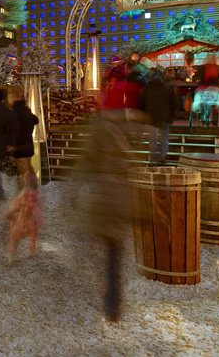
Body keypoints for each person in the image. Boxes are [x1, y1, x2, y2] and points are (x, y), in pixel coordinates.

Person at [76, 110, 138, 322]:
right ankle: (114, 303)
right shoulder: (124, 137)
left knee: (103, 250)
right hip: (121, 201)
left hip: (104, 200)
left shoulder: (99, 134)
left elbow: (85, 165)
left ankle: (110, 298)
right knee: (115, 253)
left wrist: (74, 195)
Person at [138, 69, 176, 164]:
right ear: (162, 79)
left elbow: (141, 103)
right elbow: (174, 104)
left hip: (151, 117)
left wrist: (143, 115)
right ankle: (162, 158)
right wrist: (172, 115)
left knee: (152, 139)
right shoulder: (168, 90)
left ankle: (153, 158)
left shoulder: (146, 90)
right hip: (165, 117)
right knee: (164, 138)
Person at [9, 86, 40, 189]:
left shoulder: (15, 112)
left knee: (24, 172)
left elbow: (14, 131)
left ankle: (28, 194)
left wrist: (12, 145)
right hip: (28, 145)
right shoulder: (26, 110)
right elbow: (36, 120)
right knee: (29, 168)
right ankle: (35, 188)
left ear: (14, 97)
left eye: (10, 96)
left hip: (20, 147)